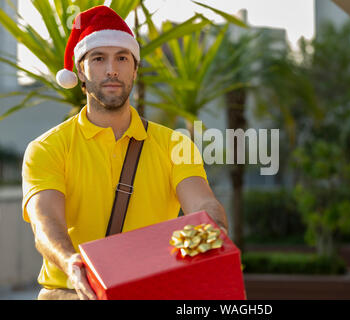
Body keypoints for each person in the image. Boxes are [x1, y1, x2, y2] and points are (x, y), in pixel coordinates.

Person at [22, 5, 228, 300]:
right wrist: (71, 263)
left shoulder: (175, 145)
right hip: (72, 292)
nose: (111, 69)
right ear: (80, 70)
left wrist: (215, 226)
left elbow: (201, 202)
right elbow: (46, 223)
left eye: (122, 57)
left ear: (135, 68)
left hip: (150, 292)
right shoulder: (47, 148)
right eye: (98, 58)